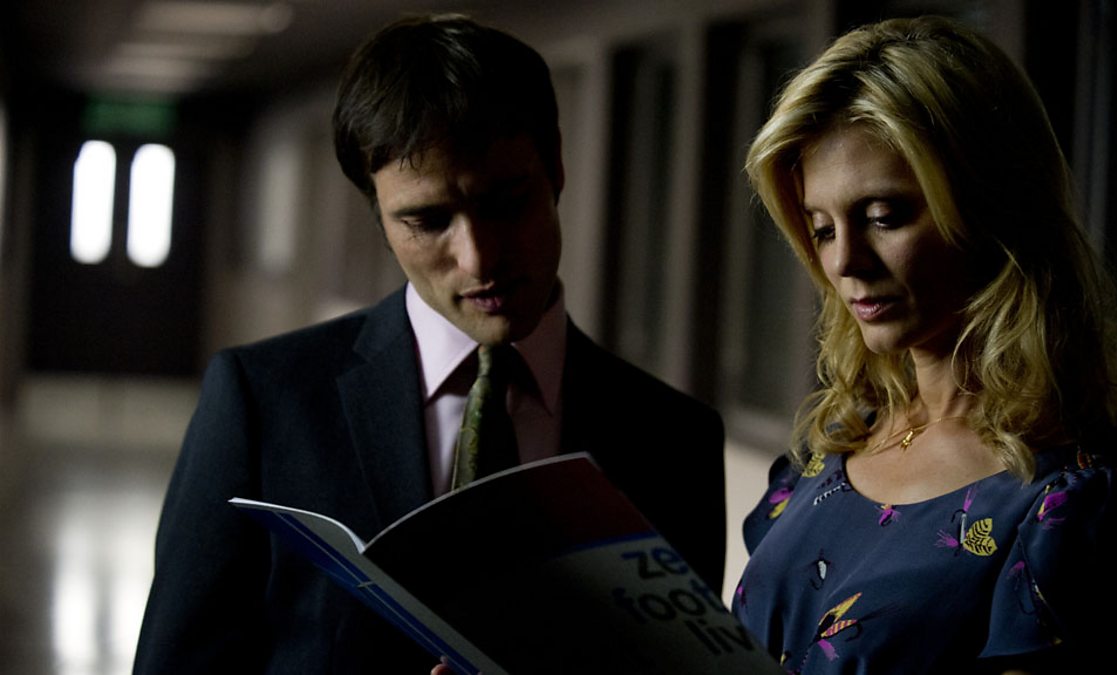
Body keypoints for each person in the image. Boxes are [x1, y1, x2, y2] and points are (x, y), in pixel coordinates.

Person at [133, 14, 726, 674]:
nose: (478, 258)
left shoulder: (676, 443)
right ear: (377, 214)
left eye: (507, 202)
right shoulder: (264, 403)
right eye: (427, 220)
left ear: (556, 166)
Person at [733, 16, 1117, 674]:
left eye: (884, 217)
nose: (845, 261)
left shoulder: (1068, 512)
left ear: (990, 210)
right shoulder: (834, 444)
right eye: (822, 229)